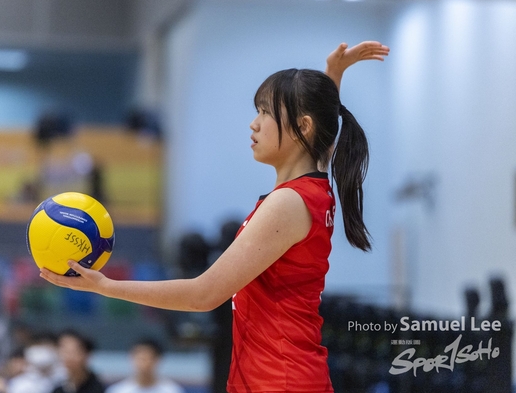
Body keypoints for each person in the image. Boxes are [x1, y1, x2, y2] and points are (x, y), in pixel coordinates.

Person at [40, 41, 389, 392]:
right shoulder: (315, 187)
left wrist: (106, 286)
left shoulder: (287, 203)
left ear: (303, 126)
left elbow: (203, 294)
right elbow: (321, 133)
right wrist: (332, 76)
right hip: (284, 376)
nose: (254, 124)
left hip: (279, 380)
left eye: (265, 112)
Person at [105, 339, 184, 393]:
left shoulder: (172, 390)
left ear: (157, 360)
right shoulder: (118, 390)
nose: (143, 364)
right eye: (140, 358)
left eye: (147, 359)